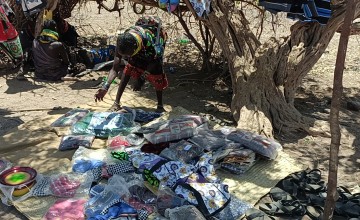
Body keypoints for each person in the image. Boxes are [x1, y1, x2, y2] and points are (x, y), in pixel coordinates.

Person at [94, 16, 168, 113]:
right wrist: (105, 87)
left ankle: (160, 105)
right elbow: (114, 69)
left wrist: (141, 79)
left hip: (152, 52)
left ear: (135, 49)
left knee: (156, 73)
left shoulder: (149, 43)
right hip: (136, 47)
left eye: (127, 55)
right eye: (123, 55)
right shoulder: (122, 42)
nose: (124, 57)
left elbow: (155, 62)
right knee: (129, 67)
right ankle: (116, 102)